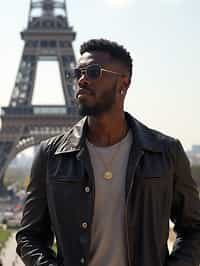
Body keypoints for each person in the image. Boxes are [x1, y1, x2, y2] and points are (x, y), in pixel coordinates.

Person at [16, 39, 200, 266]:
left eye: (93, 72)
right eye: (78, 72)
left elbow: (193, 228)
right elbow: (29, 236)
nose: (82, 79)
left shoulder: (167, 152)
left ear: (124, 83)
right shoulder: (50, 156)